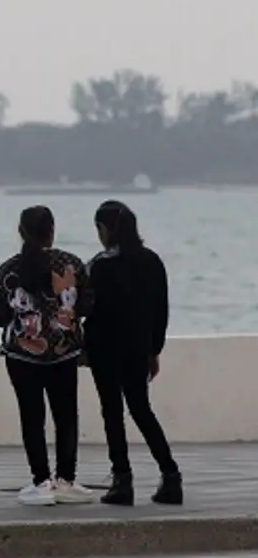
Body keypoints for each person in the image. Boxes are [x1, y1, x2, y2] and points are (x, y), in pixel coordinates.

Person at [0, 205, 93, 506]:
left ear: (21, 231)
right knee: (66, 416)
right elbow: (87, 305)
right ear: (52, 231)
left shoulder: (9, 270)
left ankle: (41, 481)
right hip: (64, 352)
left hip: (21, 355)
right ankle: (66, 480)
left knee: (32, 418)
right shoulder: (72, 265)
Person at [85, 200, 182, 506]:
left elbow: (87, 308)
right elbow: (160, 311)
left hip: (104, 350)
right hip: (138, 349)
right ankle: (170, 475)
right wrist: (154, 349)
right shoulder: (152, 261)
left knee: (112, 413)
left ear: (106, 229)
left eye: (99, 229)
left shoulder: (99, 266)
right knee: (142, 410)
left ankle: (122, 480)